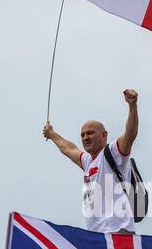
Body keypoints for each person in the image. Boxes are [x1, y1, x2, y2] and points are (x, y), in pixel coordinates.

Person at [43, 88, 140, 233]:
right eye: (82, 135)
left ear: (104, 135)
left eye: (90, 133)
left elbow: (130, 135)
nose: (85, 137)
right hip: (96, 234)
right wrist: (51, 134)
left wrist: (132, 106)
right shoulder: (88, 161)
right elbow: (68, 148)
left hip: (118, 230)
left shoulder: (113, 152)